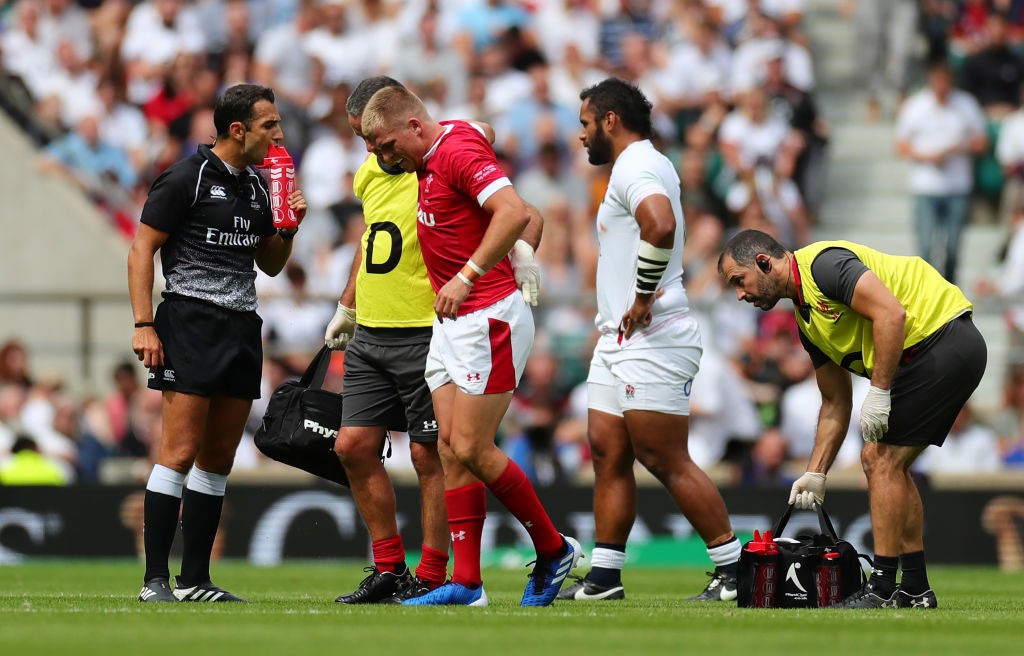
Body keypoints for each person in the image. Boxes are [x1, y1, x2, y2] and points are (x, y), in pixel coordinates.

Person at [360, 85, 581, 607]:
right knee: (448, 449)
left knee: (473, 448)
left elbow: (510, 210)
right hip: (451, 322)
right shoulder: (455, 139)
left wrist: (471, 273)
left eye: (387, 145)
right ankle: (467, 583)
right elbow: (485, 131)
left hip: (488, 314)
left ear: (414, 127)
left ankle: (554, 550)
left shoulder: (453, 150)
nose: (383, 157)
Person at [718, 229, 987, 608]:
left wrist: (878, 391)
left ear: (764, 262)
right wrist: (816, 471)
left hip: (941, 337)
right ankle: (914, 589)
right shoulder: (807, 321)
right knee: (887, 464)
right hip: (931, 349)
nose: (740, 294)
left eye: (738, 281)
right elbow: (833, 402)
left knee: (879, 459)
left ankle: (880, 587)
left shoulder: (823, 265)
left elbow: (891, 313)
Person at [561, 78, 741, 603]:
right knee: (607, 454)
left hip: (653, 332)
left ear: (610, 121)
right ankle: (604, 578)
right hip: (620, 337)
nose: (583, 136)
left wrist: (642, 296)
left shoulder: (637, 164)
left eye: (586, 124)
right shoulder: (639, 163)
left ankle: (734, 568)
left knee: (664, 458)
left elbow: (659, 226)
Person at [128, 84, 307, 603]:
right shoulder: (186, 177)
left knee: (218, 460)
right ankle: (154, 581)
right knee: (179, 451)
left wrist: (289, 227)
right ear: (238, 130)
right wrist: (144, 323)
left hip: (241, 325)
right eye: (269, 125)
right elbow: (142, 251)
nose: (278, 134)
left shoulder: (257, 186)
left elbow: (268, 264)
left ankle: (195, 581)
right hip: (190, 322)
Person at [322, 76, 450, 605]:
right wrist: (347, 305)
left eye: (374, 137)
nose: (371, 149)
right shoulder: (371, 172)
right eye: (361, 139)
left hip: (425, 330)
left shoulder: (443, 155)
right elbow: (370, 238)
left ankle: (436, 572)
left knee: (428, 457)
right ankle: (389, 568)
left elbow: (514, 209)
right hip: (371, 331)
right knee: (351, 446)